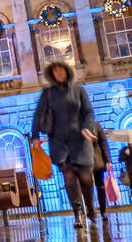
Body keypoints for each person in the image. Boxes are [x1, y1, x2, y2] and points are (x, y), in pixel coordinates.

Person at [32, 60, 99, 228]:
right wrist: (35, 137)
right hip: (59, 142)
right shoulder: (48, 94)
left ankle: (90, 206)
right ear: (52, 74)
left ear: (67, 71)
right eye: (55, 72)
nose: (58, 74)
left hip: (80, 140)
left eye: (61, 70)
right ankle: (78, 213)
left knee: (85, 179)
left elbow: (89, 112)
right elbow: (38, 115)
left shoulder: (79, 91)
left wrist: (88, 128)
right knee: (69, 179)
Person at [87, 118, 112, 217]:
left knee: (100, 186)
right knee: (87, 187)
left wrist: (108, 160)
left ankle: (103, 210)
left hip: (97, 160)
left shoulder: (95, 124)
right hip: (84, 161)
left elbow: (103, 143)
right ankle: (90, 209)